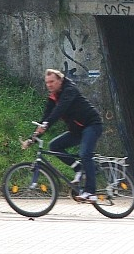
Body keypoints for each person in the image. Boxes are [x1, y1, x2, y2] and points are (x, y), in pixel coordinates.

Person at [23, 68, 102, 202]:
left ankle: (90, 192)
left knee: (85, 154)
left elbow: (60, 110)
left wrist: (47, 124)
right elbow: (46, 117)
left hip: (91, 125)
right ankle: (79, 168)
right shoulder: (53, 96)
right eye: (47, 82)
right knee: (54, 145)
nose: (49, 85)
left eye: (52, 82)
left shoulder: (69, 90)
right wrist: (33, 139)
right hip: (77, 130)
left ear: (60, 80)